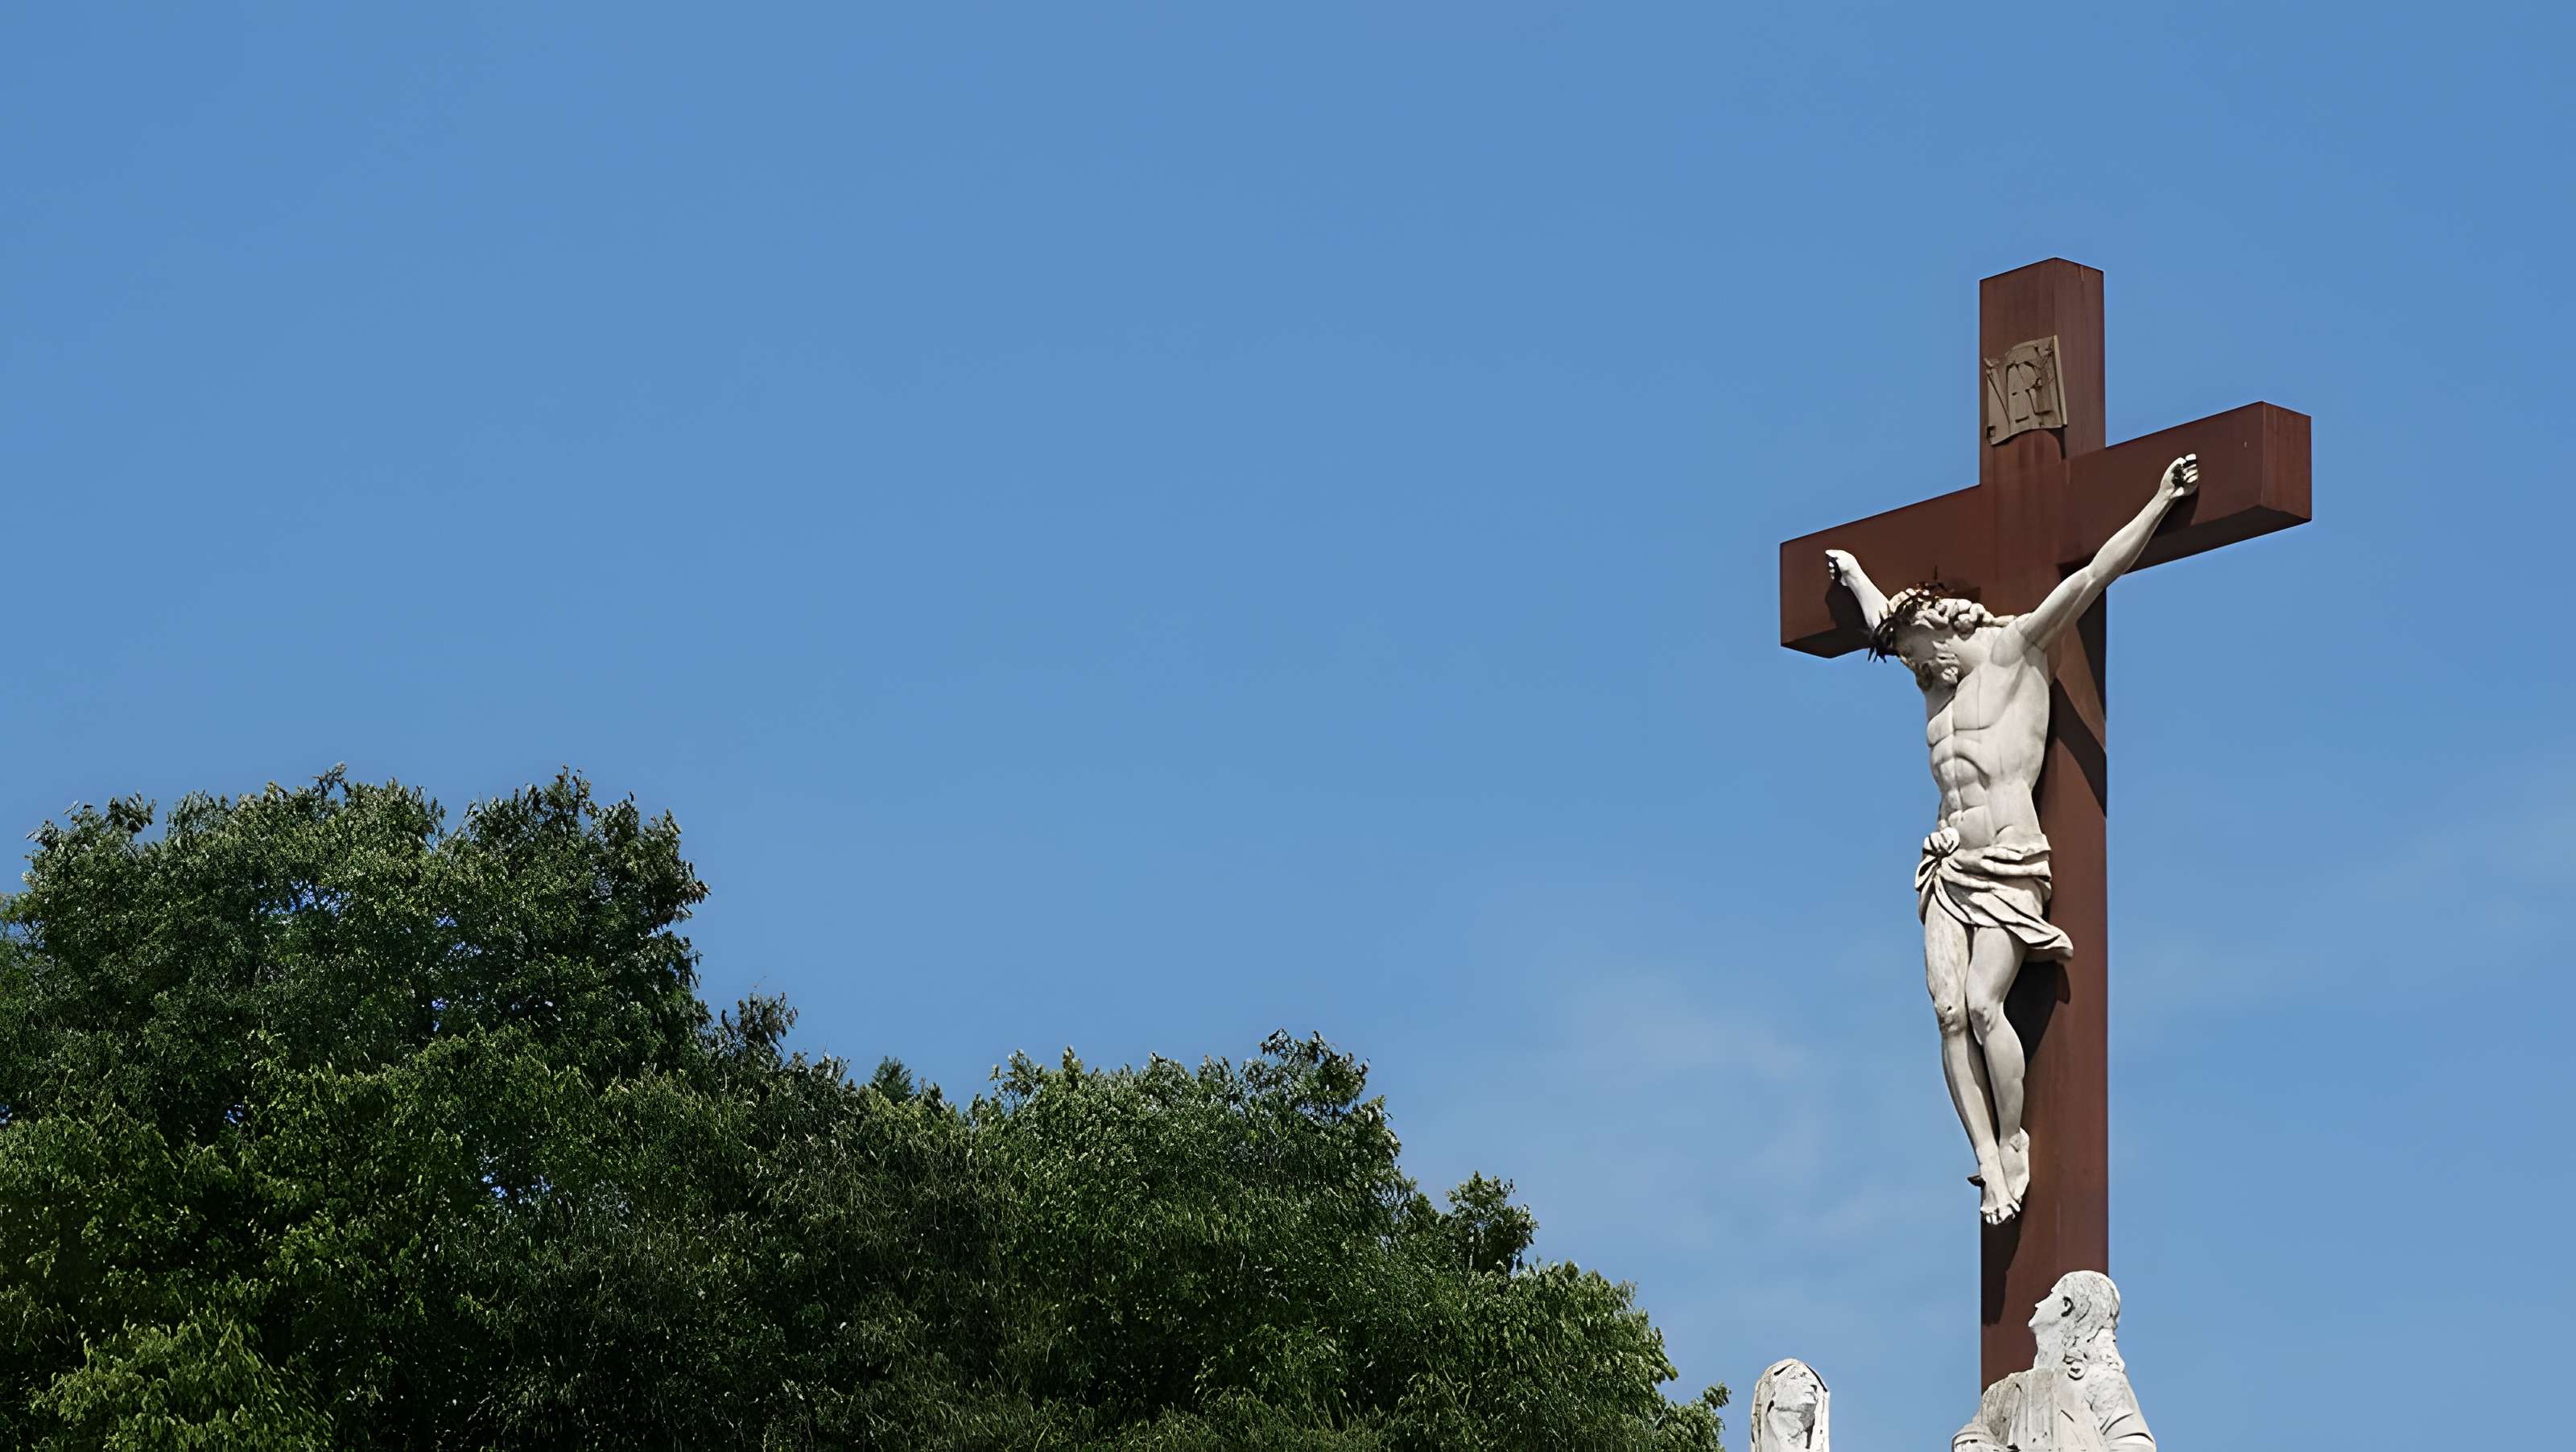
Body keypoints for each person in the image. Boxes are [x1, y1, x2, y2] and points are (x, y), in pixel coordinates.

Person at [1825, 455, 2197, 1222]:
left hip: (2009, 858)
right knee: (1946, 1012)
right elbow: (1884, 620)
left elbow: (2095, 575)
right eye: (1910, 664)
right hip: (1947, 862)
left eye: (1920, 656)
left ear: (1944, 628)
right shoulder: (1936, 684)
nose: (1919, 673)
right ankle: (1988, 1160)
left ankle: (2015, 1137)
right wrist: (1856, 576)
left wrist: (2159, 501)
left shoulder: (2018, 648)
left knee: (1986, 1004)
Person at [1953, 1270, 2155, 1452]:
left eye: (2051, 1295)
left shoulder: (2101, 1380)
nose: (2038, 1303)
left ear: (2066, 1305)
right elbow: (1972, 1437)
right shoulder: (2003, 1392)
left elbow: (2135, 1446)